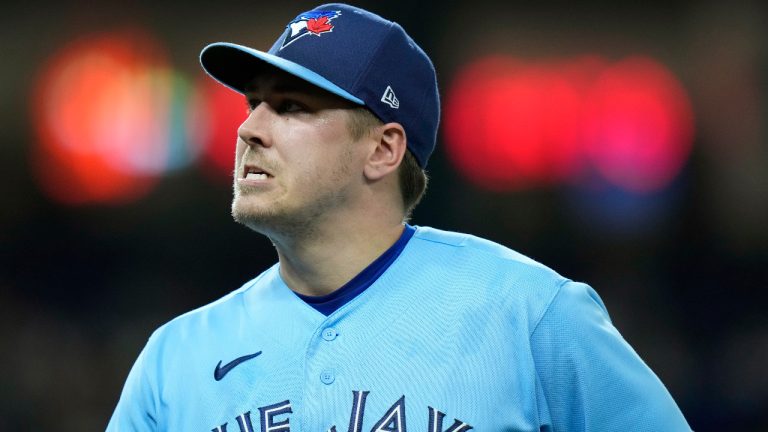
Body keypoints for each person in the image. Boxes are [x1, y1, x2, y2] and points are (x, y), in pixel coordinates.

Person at [108, 3, 692, 431]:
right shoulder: (175, 356)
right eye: (252, 103)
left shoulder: (529, 314)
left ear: (383, 150)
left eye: (290, 106)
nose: (249, 129)